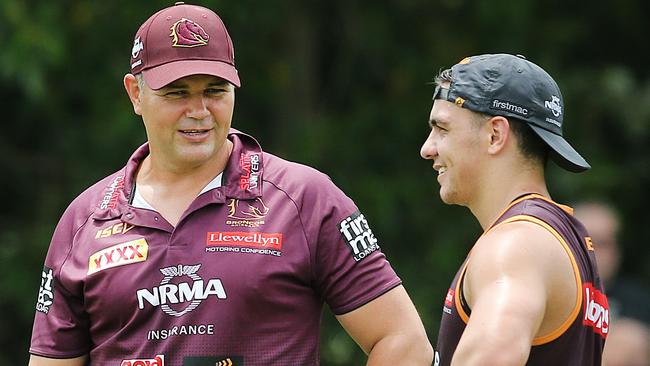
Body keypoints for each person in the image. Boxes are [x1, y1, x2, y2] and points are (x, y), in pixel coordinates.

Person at [28, 3, 433, 365]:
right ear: (136, 94)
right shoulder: (85, 221)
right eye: (177, 93)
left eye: (215, 91)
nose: (199, 111)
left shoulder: (305, 199)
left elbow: (403, 341)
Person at [419, 53, 609, 365]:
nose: (427, 148)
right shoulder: (564, 238)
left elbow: (494, 357)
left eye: (442, 129)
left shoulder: (515, 246)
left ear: (495, 135)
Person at [574, 201, 650, 366]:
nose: (597, 253)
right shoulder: (554, 293)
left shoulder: (639, 298)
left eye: (606, 243)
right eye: (590, 242)